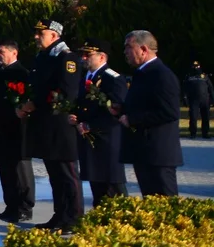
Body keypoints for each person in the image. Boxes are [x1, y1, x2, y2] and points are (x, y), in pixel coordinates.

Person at [20, 19, 83, 233]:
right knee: (55, 175)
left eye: (41, 33)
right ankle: (60, 215)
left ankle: (74, 217)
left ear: (54, 35)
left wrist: (35, 103)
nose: (37, 37)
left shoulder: (67, 59)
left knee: (68, 174)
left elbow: (66, 93)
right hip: (47, 125)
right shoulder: (44, 58)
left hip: (61, 126)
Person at [118, 30, 183, 196]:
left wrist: (132, 119)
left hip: (158, 154)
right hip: (144, 152)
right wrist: (121, 110)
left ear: (143, 49)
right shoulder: (143, 74)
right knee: (151, 206)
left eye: (128, 47)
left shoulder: (161, 75)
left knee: (165, 205)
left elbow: (169, 112)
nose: (125, 52)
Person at [0, 39, 33, 223]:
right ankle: (10, 206)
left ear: (14, 53)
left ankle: (24, 207)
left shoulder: (21, 73)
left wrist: (2, 116)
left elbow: (21, 102)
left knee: (20, 171)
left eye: (1, 51)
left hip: (15, 129)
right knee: (6, 171)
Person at [72, 39, 128, 208]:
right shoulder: (85, 77)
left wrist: (91, 125)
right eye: (82, 54)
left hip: (107, 138)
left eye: (88, 54)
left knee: (112, 185)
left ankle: (120, 220)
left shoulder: (112, 78)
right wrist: (76, 119)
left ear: (102, 57)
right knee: (96, 184)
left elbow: (116, 110)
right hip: (89, 138)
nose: (83, 58)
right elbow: (81, 104)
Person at [184, 61, 212, 139]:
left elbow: (210, 88)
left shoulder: (205, 77)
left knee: (205, 117)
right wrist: (185, 99)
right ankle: (193, 133)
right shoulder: (189, 77)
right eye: (194, 66)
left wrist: (212, 99)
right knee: (193, 117)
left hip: (205, 100)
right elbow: (185, 89)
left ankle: (205, 133)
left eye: (197, 66)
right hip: (193, 101)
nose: (196, 68)